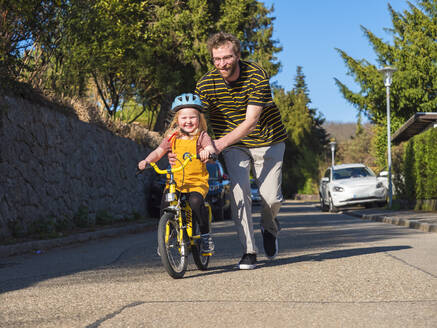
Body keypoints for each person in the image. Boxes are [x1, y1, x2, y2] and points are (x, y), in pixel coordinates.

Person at [194, 31, 287, 269]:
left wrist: (218, 144)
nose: (222, 63)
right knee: (239, 196)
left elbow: (250, 122)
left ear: (237, 55)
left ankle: (269, 227)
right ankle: (248, 251)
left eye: (227, 57)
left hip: (268, 140)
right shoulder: (205, 85)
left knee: (271, 198)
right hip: (234, 146)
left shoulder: (255, 75)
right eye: (217, 59)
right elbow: (196, 120)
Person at [138, 93, 216, 255]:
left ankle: (206, 236)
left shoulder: (202, 136)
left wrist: (207, 153)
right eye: (184, 118)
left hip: (196, 182)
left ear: (199, 119)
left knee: (195, 202)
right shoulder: (171, 137)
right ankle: (167, 236)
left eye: (192, 118)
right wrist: (146, 161)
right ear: (177, 120)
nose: (188, 121)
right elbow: (159, 152)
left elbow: (210, 148)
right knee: (166, 205)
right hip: (176, 182)